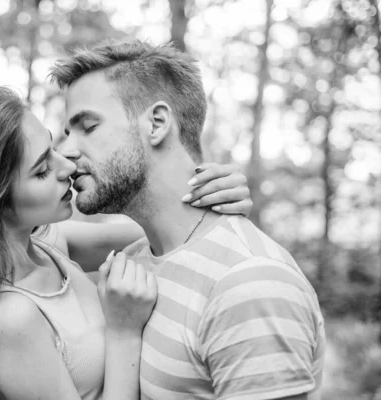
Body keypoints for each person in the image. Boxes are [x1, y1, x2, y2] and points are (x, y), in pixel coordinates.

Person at [0, 87, 253, 400]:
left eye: (51, 148)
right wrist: (124, 329)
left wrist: (212, 190)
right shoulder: (11, 318)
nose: (65, 165)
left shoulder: (49, 245)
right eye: (40, 170)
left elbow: (163, 229)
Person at [51, 40, 326, 400]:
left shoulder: (251, 284)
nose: (66, 152)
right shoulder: (133, 263)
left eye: (87, 127)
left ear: (157, 123)